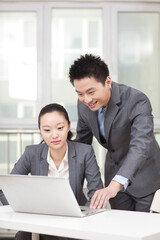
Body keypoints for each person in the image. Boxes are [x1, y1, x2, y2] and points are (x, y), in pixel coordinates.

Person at [69, 53, 160, 212]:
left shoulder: (137, 100)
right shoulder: (83, 104)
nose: (86, 99)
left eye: (91, 92)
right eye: (80, 93)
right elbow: (83, 143)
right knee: (120, 229)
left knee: (145, 231)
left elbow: (140, 146)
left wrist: (115, 184)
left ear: (108, 82)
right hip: (114, 174)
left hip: (146, 176)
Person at [0, 103, 103, 240]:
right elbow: (6, 187)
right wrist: (21, 212)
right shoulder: (32, 153)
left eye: (60, 128)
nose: (54, 135)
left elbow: (96, 192)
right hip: (38, 223)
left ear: (68, 126)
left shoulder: (84, 152)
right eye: (47, 130)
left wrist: (83, 218)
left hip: (74, 224)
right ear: (41, 131)